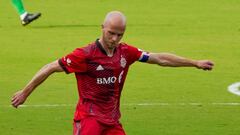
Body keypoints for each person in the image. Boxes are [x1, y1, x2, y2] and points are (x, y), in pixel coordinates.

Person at [11, 11, 214, 135]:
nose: (115, 38)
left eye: (120, 34)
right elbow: (50, 67)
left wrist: (194, 62)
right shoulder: (85, 55)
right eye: (111, 33)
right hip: (89, 120)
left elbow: (160, 58)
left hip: (112, 123)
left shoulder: (126, 52)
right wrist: (25, 92)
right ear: (102, 28)